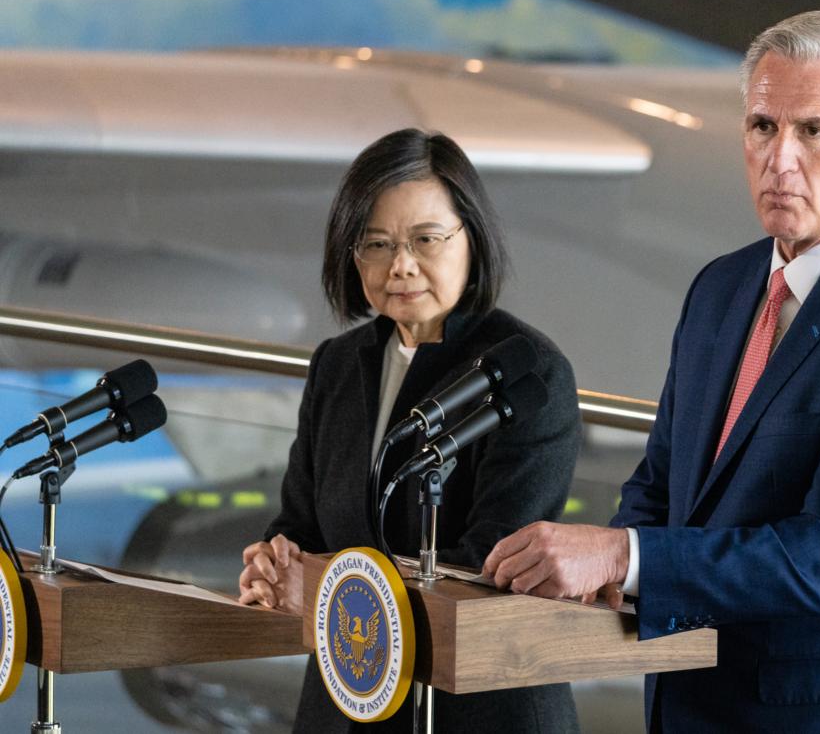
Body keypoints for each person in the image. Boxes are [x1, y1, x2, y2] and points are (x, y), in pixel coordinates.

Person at [483, 10, 820, 733]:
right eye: (761, 127)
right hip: (693, 698)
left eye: (813, 130)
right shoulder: (722, 287)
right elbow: (664, 482)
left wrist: (622, 555)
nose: (780, 158)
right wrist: (609, 572)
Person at [237, 129, 582, 733]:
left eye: (425, 239)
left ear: (471, 238)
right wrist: (274, 562)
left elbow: (490, 571)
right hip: (344, 703)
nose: (401, 265)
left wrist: (315, 590)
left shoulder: (528, 370)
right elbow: (301, 522)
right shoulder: (337, 364)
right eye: (376, 243)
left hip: (475, 707)